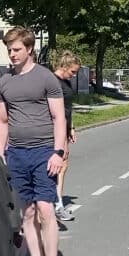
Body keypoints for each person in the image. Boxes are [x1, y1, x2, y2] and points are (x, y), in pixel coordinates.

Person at [0, 27, 66, 256]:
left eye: (17, 49)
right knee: (27, 214)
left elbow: (59, 117)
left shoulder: (46, 78)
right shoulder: (4, 82)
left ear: (29, 49)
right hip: (17, 154)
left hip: (43, 152)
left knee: (45, 209)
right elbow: (0, 120)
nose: (12, 54)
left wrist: (58, 152)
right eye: (9, 50)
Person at [51, 50, 81, 221]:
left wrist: (72, 128)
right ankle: (57, 205)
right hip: (55, 131)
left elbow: (69, 108)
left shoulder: (66, 83)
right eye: (72, 71)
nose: (74, 75)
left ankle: (57, 203)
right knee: (59, 166)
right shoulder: (53, 82)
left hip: (65, 128)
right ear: (64, 66)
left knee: (62, 166)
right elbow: (56, 113)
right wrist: (61, 139)